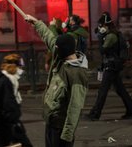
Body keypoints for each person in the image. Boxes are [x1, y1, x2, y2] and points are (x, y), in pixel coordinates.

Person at [25, 14, 88, 147]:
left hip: (61, 128)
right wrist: (36, 22)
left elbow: (75, 107)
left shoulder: (77, 74)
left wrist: (67, 135)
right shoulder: (62, 57)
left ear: (64, 50)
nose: (54, 50)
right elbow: (50, 38)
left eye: (57, 49)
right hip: (51, 122)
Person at [86, 12, 132, 121]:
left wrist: (100, 37)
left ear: (106, 25)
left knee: (103, 91)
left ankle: (95, 113)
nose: (100, 27)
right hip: (113, 65)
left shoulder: (111, 36)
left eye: (101, 25)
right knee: (120, 90)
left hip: (111, 66)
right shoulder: (111, 34)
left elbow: (102, 50)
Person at [0, 53, 32, 147]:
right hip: (9, 124)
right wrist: (14, 117)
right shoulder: (6, 81)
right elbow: (7, 103)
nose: (21, 70)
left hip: (8, 123)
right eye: (20, 67)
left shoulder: (8, 80)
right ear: (14, 66)